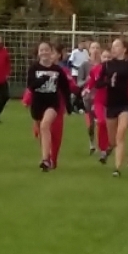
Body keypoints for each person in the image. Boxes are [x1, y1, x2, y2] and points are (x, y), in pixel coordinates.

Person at [88, 38, 128, 177]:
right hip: (111, 106)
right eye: (113, 46)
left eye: (117, 46)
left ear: (124, 49)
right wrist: (108, 82)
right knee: (112, 141)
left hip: (125, 105)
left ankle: (117, 169)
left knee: (120, 135)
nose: (114, 48)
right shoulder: (107, 65)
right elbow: (97, 84)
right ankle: (109, 149)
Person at [26, 41, 76, 171]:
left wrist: (69, 106)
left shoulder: (57, 70)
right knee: (42, 132)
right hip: (37, 104)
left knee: (45, 125)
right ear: (38, 53)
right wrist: (42, 80)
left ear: (50, 52)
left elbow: (65, 88)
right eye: (41, 50)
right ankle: (46, 156)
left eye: (46, 50)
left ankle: (45, 160)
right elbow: (30, 86)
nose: (44, 52)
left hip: (52, 103)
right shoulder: (34, 68)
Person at [81, 43, 111, 159]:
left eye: (109, 57)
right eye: (104, 57)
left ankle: (108, 145)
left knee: (108, 124)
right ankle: (102, 148)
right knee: (101, 122)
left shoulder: (115, 69)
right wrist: (87, 89)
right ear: (101, 58)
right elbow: (92, 82)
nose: (106, 59)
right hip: (98, 100)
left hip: (111, 101)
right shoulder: (95, 69)